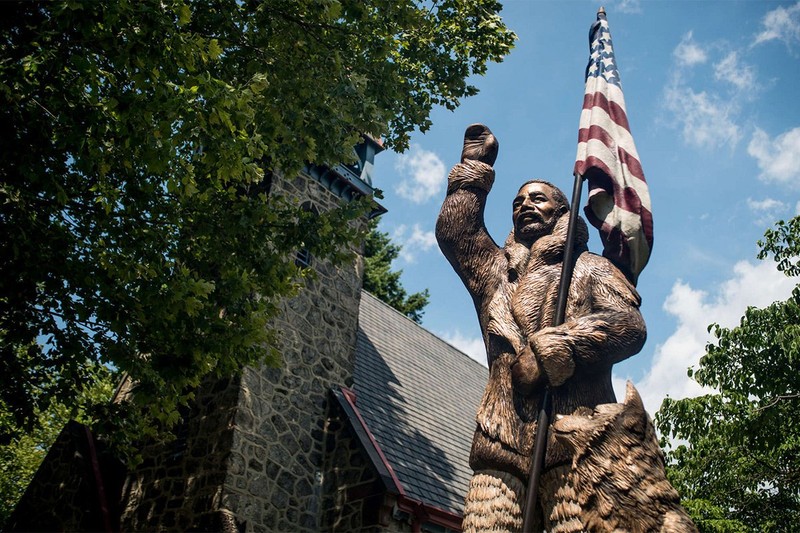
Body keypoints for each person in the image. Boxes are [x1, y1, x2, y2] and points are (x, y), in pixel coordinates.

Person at [436, 124, 646, 531]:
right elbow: (455, 234)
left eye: (538, 198)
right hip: (502, 435)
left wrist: (557, 348)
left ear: (561, 212)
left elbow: (629, 326)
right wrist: (474, 170)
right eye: (517, 202)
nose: (525, 205)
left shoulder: (591, 268)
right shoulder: (495, 271)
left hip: (573, 439)